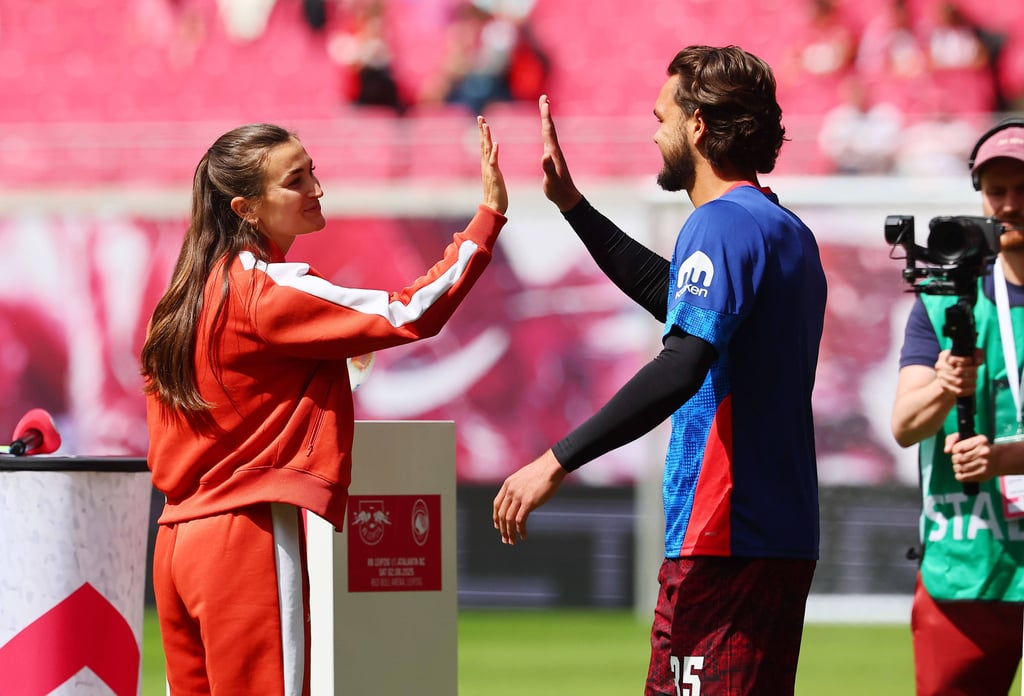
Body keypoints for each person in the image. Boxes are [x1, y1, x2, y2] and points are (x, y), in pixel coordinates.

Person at [493, 45, 828, 695]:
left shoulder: (720, 225)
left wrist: (555, 460)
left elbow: (682, 363)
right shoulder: (781, 227)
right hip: (765, 532)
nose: (654, 134)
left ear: (697, 125)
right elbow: (674, 297)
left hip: (726, 532)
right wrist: (573, 205)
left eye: (661, 117)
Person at [140, 118, 507, 694]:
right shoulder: (264, 289)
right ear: (245, 209)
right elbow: (409, 312)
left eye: (312, 171)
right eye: (295, 180)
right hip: (246, 536)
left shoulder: (183, 297)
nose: (317, 188)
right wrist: (486, 219)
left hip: (175, 541)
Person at [890, 119, 1024, 696]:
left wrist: (1005, 458)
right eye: (997, 190)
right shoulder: (941, 302)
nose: (1010, 205)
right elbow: (904, 426)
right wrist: (946, 386)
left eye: (1023, 189)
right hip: (967, 564)